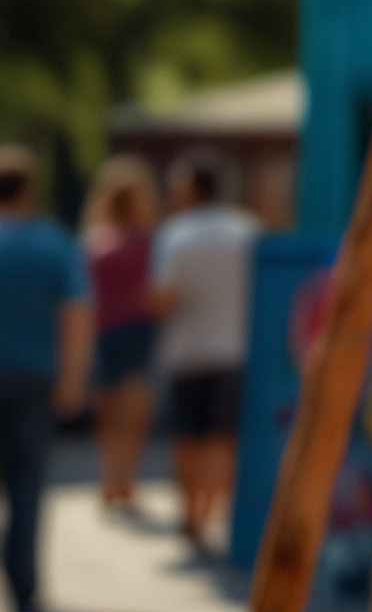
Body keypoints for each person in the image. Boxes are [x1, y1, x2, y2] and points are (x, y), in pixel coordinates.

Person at [0, 145, 92, 612]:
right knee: (27, 484)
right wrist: (74, 377)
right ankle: (24, 587)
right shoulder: (54, 244)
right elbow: (75, 314)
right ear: (29, 188)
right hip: (35, 376)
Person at [149, 150, 257, 551]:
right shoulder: (247, 231)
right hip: (236, 349)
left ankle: (192, 511)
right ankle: (212, 509)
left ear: (193, 186)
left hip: (187, 350)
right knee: (222, 436)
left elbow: (162, 299)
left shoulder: (176, 235)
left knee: (187, 436)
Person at [81, 155, 162, 513]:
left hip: (122, 329)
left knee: (120, 410)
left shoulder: (112, 240)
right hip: (116, 330)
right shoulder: (110, 240)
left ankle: (120, 479)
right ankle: (117, 479)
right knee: (119, 410)